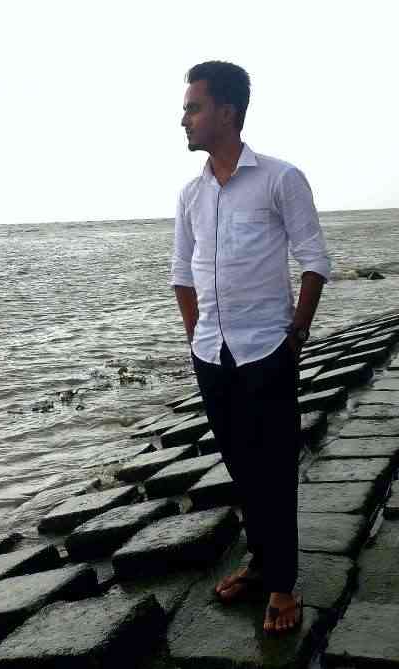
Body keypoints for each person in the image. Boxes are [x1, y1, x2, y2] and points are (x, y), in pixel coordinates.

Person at [170, 61, 331, 635]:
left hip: (267, 351)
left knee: (275, 470)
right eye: (186, 108)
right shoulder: (191, 194)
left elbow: (314, 261)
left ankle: (283, 585)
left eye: (193, 107)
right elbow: (182, 275)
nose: (184, 119)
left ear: (227, 112)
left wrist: (297, 336)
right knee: (241, 468)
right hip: (212, 356)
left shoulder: (280, 178)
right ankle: (262, 565)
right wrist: (197, 338)